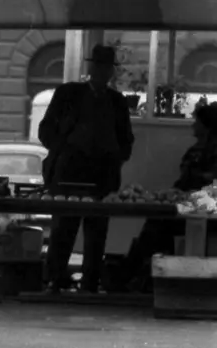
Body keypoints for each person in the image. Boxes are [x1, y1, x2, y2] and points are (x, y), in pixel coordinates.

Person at [39, 44, 134, 293]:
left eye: (106, 67)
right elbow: (46, 129)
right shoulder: (68, 94)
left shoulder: (116, 102)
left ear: (111, 71)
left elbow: (126, 138)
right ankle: (56, 278)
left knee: (97, 231)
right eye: (99, 66)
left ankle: (90, 281)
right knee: (63, 228)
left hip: (102, 174)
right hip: (69, 171)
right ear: (91, 68)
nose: (102, 71)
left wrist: (116, 157)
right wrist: (63, 150)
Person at [119, 101, 217, 287]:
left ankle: (132, 274)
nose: (193, 125)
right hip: (191, 205)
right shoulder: (197, 150)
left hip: (205, 211)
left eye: (197, 122)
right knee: (156, 224)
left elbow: (203, 182)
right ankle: (140, 274)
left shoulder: (208, 151)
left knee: (157, 227)